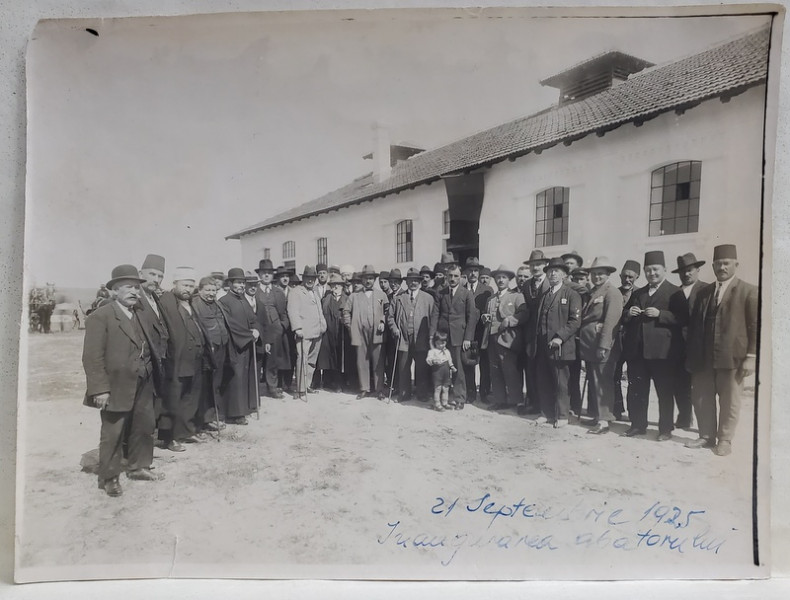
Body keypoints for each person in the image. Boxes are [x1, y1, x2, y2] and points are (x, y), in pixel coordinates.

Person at [82, 265, 163, 497]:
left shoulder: (140, 313)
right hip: (115, 386)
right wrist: (99, 389)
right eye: (128, 287)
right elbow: (92, 357)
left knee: (143, 426)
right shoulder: (101, 317)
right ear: (114, 291)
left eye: (137, 287)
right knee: (113, 432)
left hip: (143, 381)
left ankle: (139, 467)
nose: (134, 292)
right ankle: (109, 477)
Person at [685, 244, 758, 456]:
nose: (722, 267)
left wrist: (751, 357)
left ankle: (725, 440)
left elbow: (755, 327)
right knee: (702, 397)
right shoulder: (704, 292)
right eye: (718, 264)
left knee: (730, 401)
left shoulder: (749, 291)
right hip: (704, 357)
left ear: (736, 264)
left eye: (726, 263)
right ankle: (706, 435)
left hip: (732, 357)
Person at [621, 251, 687, 440]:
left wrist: (661, 314)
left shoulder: (675, 292)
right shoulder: (638, 293)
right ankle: (637, 425)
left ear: (664, 270)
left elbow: (683, 319)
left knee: (664, 392)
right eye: (648, 270)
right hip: (638, 352)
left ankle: (665, 429)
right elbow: (625, 317)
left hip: (662, 353)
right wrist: (629, 313)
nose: (652, 273)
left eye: (655, 270)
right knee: (637, 391)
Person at [529, 257, 582, 428]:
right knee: (543, 380)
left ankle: (562, 415)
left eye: (557, 271)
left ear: (564, 275)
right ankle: (546, 413)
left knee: (561, 382)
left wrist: (560, 336)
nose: (552, 274)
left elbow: (575, 321)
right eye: (550, 271)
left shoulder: (571, 294)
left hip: (560, 346)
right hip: (543, 345)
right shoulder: (545, 295)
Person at [158, 267, 207, 452]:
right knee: (173, 398)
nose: (188, 289)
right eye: (185, 285)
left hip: (194, 358)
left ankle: (186, 431)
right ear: (175, 284)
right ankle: (168, 438)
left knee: (190, 397)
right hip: (177, 358)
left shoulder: (191, 302)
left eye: (191, 285)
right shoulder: (167, 301)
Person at [578, 257, 624, 435]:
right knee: (595, 381)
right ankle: (599, 416)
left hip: (602, 345)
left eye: (601, 274)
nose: (597, 277)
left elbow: (611, 322)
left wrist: (604, 346)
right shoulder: (593, 292)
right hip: (590, 345)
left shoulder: (612, 292)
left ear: (608, 274)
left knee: (603, 383)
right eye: (594, 274)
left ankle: (604, 420)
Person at [429, 263, 475, 409]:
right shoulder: (441, 293)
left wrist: (468, 337)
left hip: (458, 336)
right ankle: (444, 397)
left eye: (456, 276)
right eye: (450, 276)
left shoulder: (466, 293)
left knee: (458, 368)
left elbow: (471, 316)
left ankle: (460, 398)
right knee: (442, 367)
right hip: (443, 336)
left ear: (460, 277)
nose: (453, 278)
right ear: (446, 277)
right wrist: (432, 335)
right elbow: (435, 314)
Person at [482, 265, 528, 411]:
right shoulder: (491, 299)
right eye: (498, 277)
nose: (500, 280)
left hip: (507, 339)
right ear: (494, 279)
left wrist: (511, 320)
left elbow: (524, 314)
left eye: (504, 277)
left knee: (510, 370)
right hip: (491, 338)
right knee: (495, 370)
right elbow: (489, 316)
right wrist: (485, 317)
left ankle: (517, 401)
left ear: (509, 280)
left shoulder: (516, 296)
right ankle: (500, 400)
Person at [217, 268, 260, 425]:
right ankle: (235, 413)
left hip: (246, 344)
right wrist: (249, 335)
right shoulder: (224, 301)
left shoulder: (244, 300)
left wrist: (256, 329)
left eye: (243, 282)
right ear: (230, 283)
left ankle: (246, 407)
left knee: (246, 376)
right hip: (234, 345)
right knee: (236, 377)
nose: (241, 285)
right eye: (238, 282)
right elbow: (230, 324)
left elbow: (253, 318)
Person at [672, 252, 709, 429]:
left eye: (690, 270)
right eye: (683, 271)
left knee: (701, 387)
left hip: (699, 346)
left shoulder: (706, 289)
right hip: (677, 346)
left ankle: (705, 426)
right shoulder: (674, 292)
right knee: (679, 384)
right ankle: (685, 416)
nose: (686, 274)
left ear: (697, 270)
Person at [388, 267, 435, 403]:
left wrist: (431, 337)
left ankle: (422, 393)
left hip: (421, 339)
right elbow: (390, 317)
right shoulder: (398, 298)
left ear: (419, 282)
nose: (413, 283)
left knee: (421, 367)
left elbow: (433, 318)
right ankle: (404, 393)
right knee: (403, 367)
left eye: (416, 280)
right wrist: (394, 328)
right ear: (406, 282)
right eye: (410, 280)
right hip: (403, 338)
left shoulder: (428, 298)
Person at [135, 254, 170, 435]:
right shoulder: (135, 299)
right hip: (143, 363)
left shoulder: (155, 298)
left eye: (160, 276)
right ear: (141, 273)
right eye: (152, 274)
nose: (156, 280)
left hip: (159, 360)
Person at [343, 265, 389, 400]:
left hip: (377, 333)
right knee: (361, 360)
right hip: (360, 332)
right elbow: (346, 312)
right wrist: (350, 326)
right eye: (365, 279)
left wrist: (383, 322)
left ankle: (379, 389)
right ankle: (364, 388)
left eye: (370, 278)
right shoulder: (354, 296)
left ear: (374, 280)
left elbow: (388, 311)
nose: (368, 281)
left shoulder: (381, 295)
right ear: (361, 280)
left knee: (378, 361)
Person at [192, 276, 229, 432]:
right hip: (207, 350)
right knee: (207, 385)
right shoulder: (195, 305)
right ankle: (205, 419)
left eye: (214, 290)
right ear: (200, 290)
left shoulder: (217, 304)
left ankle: (214, 415)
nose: (211, 293)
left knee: (216, 383)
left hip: (221, 347)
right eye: (207, 290)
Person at [287, 266, 327, 400]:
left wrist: (323, 325)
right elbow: (292, 311)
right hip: (304, 332)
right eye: (308, 278)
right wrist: (297, 328)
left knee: (311, 361)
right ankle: (300, 389)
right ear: (303, 278)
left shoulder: (315, 292)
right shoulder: (296, 292)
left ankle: (307, 384)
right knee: (302, 359)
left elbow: (319, 310)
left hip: (317, 331)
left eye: (312, 278)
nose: (310, 280)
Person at [519, 249, 550, 415]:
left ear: (545, 265)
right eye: (532, 265)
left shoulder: (550, 284)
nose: (535, 268)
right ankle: (533, 403)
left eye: (538, 264)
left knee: (544, 370)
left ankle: (546, 405)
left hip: (546, 334)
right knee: (530, 370)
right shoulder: (525, 285)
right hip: (530, 334)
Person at [254, 259, 290, 399]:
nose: (267, 275)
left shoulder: (278, 292)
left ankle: (272, 387)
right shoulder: (253, 290)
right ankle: (255, 390)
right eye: (264, 273)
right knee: (258, 360)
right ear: (260, 275)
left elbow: (284, 313)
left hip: (275, 331)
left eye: (269, 273)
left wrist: (282, 326)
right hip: (260, 331)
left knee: (272, 361)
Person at [462, 257, 493, 404]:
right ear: (466, 273)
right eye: (470, 270)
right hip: (467, 333)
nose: (473, 273)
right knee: (468, 363)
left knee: (484, 363)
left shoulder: (487, 290)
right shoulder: (461, 289)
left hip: (482, 333)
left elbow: (490, 310)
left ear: (479, 272)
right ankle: (470, 392)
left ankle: (485, 392)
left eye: (475, 271)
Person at [613, 259, 640, 420]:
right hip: (615, 342)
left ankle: (634, 413)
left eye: (631, 277)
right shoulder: (614, 292)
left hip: (632, 343)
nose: (627, 280)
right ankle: (616, 409)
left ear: (637, 276)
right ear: (620, 275)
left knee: (633, 378)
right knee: (613, 376)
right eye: (624, 276)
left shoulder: (640, 293)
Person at [317, 273, 348, 392]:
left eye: (338, 285)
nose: (336, 287)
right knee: (328, 357)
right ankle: (328, 381)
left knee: (341, 358)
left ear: (342, 286)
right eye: (334, 285)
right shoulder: (326, 299)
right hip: (328, 332)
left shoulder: (347, 299)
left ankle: (340, 383)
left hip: (342, 333)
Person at [426, 331, 456, 412]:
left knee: (446, 388)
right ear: (435, 343)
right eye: (438, 344)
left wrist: (452, 367)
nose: (441, 345)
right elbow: (428, 360)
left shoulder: (447, 351)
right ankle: (437, 404)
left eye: (443, 343)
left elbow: (449, 360)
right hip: (437, 372)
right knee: (438, 388)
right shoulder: (432, 351)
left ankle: (445, 402)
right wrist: (433, 361)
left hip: (446, 372)